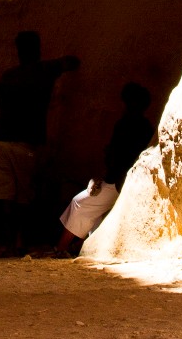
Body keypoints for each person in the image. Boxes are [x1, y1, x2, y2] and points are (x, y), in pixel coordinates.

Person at [0, 32, 80, 253]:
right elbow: (73, 62)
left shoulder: (8, 76)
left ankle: (8, 242)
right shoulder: (45, 70)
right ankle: (21, 241)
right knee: (24, 195)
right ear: (38, 49)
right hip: (25, 143)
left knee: (5, 196)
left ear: (18, 51)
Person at [53, 83, 155, 258]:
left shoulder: (126, 124)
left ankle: (61, 248)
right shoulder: (145, 127)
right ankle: (76, 247)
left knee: (80, 204)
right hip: (122, 178)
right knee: (92, 210)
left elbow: (120, 155)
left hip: (120, 180)